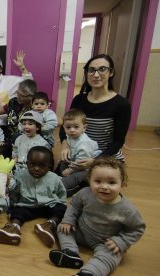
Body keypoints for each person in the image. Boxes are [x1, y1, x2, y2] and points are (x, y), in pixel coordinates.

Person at [49, 156, 145, 276]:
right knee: (62, 227)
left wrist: (121, 241)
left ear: (123, 183)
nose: (104, 186)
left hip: (105, 242)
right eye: (98, 181)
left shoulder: (127, 210)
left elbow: (137, 228)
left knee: (113, 254)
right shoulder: (85, 193)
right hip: (82, 231)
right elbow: (74, 205)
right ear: (89, 180)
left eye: (111, 182)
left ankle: (90, 272)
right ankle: (70, 253)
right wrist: (68, 220)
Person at [59, 54, 131, 195]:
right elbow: (65, 126)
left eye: (102, 69)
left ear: (111, 72)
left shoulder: (121, 104)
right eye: (91, 70)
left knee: (65, 188)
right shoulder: (79, 99)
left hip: (104, 156)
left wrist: (94, 161)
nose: (96, 74)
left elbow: (118, 141)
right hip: (78, 154)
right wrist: (65, 145)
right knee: (54, 176)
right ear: (86, 74)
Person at [0, 146, 66, 247]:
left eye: (42, 166)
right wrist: (12, 206)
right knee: (17, 212)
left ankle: (48, 225)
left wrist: (60, 203)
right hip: (27, 206)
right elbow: (14, 193)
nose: (36, 168)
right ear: (27, 163)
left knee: (62, 209)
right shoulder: (20, 176)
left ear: (49, 167)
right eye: (32, 164)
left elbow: (61, 193)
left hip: (48, 205)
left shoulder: (54, 178)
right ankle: (14, 228)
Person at [0, 52, 33, 127]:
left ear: (1, 69)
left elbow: (29, 82)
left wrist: (22, 66)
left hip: (9, 122)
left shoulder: (9, 80)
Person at [56, 109, 101, 195]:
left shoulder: (84, 145)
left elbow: (81, 163)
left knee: (77, 176)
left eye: (76, 127)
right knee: (63, 163)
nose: (72, 130)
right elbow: (68, 143)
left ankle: (73, 187)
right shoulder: (70, 135)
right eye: (68, 127)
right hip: (75, 160)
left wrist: (70, 170)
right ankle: (64, 179)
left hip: (87, 167)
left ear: (84, 128)